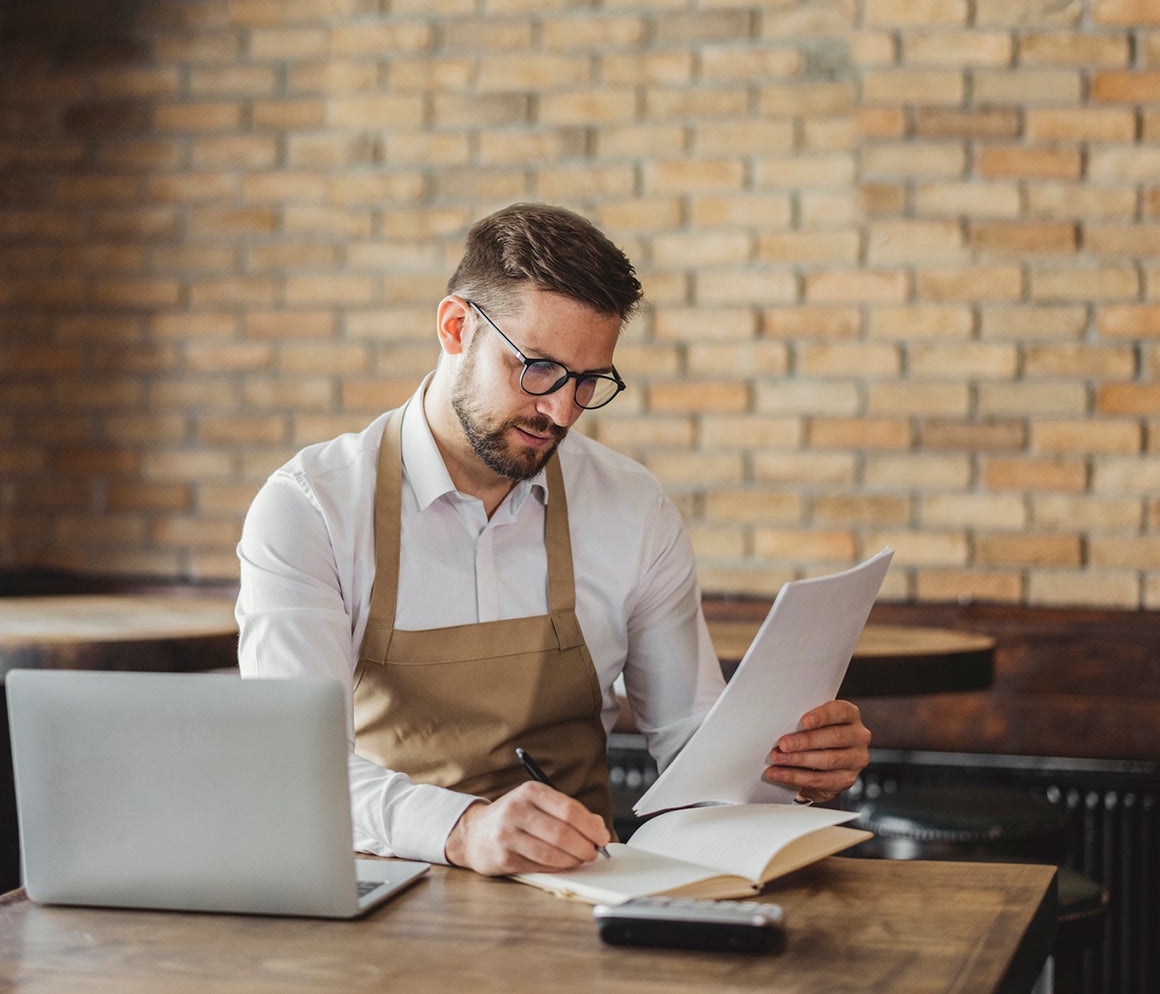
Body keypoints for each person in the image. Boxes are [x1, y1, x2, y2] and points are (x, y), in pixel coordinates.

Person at [236, 203, 870, 877]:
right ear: (456, 328)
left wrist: (788, 770)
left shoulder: (632, 508)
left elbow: (693, 745)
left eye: (589, 381)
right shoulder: (311, 509)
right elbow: (294, 766)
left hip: (582, 893)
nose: (561, 411)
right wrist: (463, 830)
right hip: (383, 896)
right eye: (537, 369)